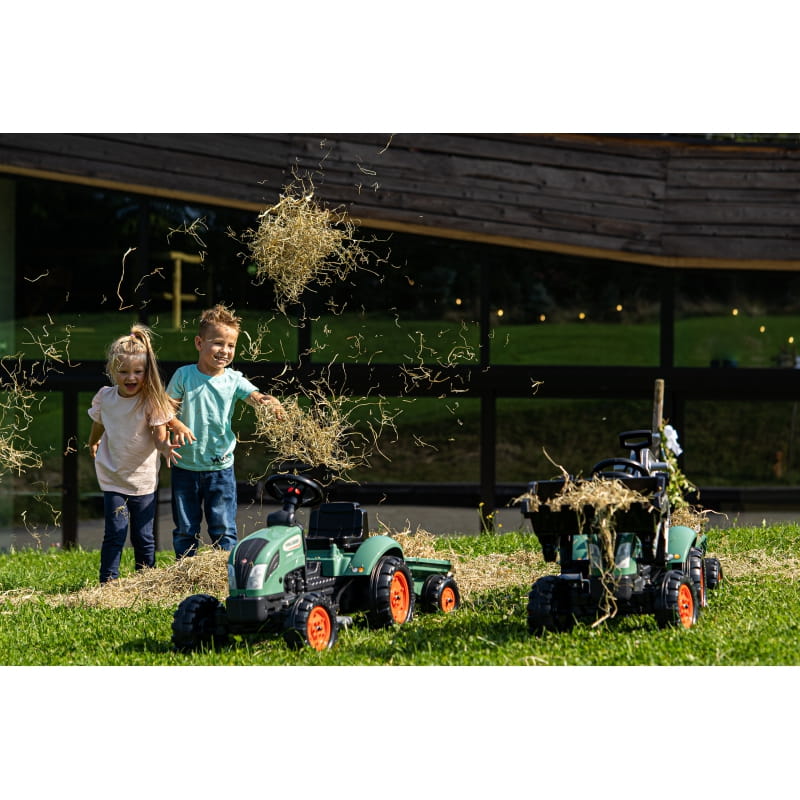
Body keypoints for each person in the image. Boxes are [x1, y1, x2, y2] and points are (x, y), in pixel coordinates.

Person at [166, 304, 283, 558]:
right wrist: (176, 424)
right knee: (185, 529)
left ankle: (225, 571)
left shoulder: (233, 379)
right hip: (185, 466)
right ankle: (184, 571)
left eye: (231, 345)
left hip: (220, 468)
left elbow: (255, 397)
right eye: (218, 343)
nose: (225, 351)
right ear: (199, 343)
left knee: (223, 528)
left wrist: (269, 403)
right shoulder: (184, 376)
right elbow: (165, 411)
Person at [88, 325, 182, 583]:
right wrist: (92, 442)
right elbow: (98, 423)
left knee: (143, 536)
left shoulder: (150, 401)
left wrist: (165, 447)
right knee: (115, 532)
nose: (131, 377)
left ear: (146, 372)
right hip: (113, 478)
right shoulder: (105, 397)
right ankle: (108, 582)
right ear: (112, 370)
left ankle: (146, 581)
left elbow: (159, 435)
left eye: (138, 372)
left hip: (143, 481)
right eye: (123, 371)